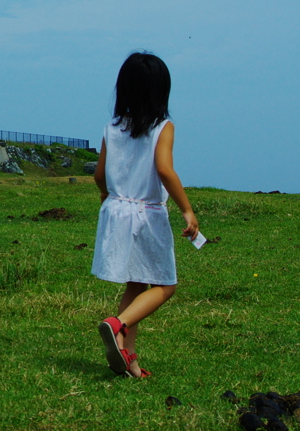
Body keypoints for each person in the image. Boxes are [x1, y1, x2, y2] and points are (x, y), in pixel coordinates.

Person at [92, 52, 199, 378]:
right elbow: (164, 170)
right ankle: (118, 323)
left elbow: (99, 174)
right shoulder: (163, 127)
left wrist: (108, 196)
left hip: (115, 210)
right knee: (166, 286)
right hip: (147, 214)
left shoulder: (113, 127)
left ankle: (129, 358)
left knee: (136, 284)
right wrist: (187, 210)